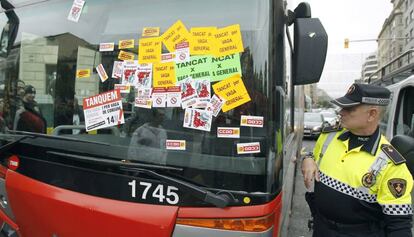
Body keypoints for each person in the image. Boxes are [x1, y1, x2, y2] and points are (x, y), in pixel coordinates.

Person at [301, 83, 413, 237]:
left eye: (349, 108)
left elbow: (399, 225)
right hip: (321, 228)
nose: (341, 112)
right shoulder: (329, 136)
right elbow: (313, 155)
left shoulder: (391, 164)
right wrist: (307, 158)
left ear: (372, 114)